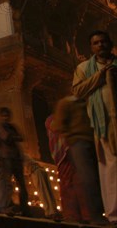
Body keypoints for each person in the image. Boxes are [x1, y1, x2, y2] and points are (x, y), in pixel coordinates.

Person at [72, 30, 117, 223]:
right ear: (91, 47)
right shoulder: (83, 68)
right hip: (102, 124)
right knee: (110, 168)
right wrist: (100, 76)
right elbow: (77, 90)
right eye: (96, 43)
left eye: (103, 42)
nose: (100, 45)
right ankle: (114, 214)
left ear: (110, 43)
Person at [51, 96, 108, 224]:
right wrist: (70, 136)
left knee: (96, 178)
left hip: (92, 141)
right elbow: (58, 125)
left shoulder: (87, 102)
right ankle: (94, 216)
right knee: (88, 178)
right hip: (77, 143)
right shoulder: (66, 102)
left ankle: (95, 214)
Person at [0, 107, 30, 216]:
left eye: (7, 115)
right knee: (6, 184)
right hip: (4, 158)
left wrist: (14, 137)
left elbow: (22, 137)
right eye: (3, 115)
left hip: (16, 158)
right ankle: (5, 207)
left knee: (22, 185)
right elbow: (6, 138)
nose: (5, 118)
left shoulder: (13, 127)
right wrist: (14, 137)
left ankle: (25, 208)